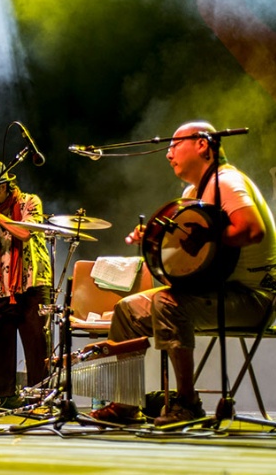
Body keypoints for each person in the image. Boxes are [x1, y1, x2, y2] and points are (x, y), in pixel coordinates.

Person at [90, 120, 276, 426]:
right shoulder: (195, 191)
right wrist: (155, 239)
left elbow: (251, 229)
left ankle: (187, 403)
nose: (168, 154)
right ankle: (124, 404)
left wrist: (207, 237)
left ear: (203, 144)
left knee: (168, 303)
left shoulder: (225, 181)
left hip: (256, 298)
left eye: (175, 145)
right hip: (220, 292)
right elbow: (187, 251)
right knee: (126, 311)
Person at [0, 160, 52, 407]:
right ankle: (0, 396)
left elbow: (26, 233)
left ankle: (40, 399)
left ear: (3, 187)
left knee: (37, 346)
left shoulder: (29, 202)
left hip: (32, 284)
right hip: (2, 286)